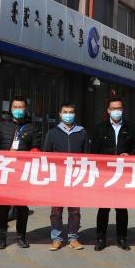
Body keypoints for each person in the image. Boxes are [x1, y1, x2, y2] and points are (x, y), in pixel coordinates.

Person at [90, 96, 135, 252]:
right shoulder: (100, 128)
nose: (116, 111)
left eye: (119, 108)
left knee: (121, 208)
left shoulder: (130, 127)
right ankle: (100, 238)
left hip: (123, 174)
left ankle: (122, 238)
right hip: (105, 174)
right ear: (108, 110)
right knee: (103, 208)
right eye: (113, 108)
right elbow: (94, 151)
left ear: (123, 110)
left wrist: (130, 154)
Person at [0, 96, 42, 250]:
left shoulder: (32, 128)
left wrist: (32, 152)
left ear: (26, 109)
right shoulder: (2, 126)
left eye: (21, 107)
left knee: (22, 208)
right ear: (11, 109)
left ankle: (21, 236)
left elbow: (36, 147)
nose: (18, 110)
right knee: (2, 208)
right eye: (15, 107)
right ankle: (1, 237)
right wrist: (5, 155)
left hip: (22, 173)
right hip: (5, 172)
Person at [43, 102, 89, 251]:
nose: (68, 115)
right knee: (56, 210)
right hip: (58, 177)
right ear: (60, 114)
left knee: (74, 210)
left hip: (75, 177)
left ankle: (73, 238)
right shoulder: (52, 133)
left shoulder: (82, 132)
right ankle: (56, 239)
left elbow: (87, 155)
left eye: (71, 112)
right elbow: (46, 155)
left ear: (74, 114)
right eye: (65, 112)